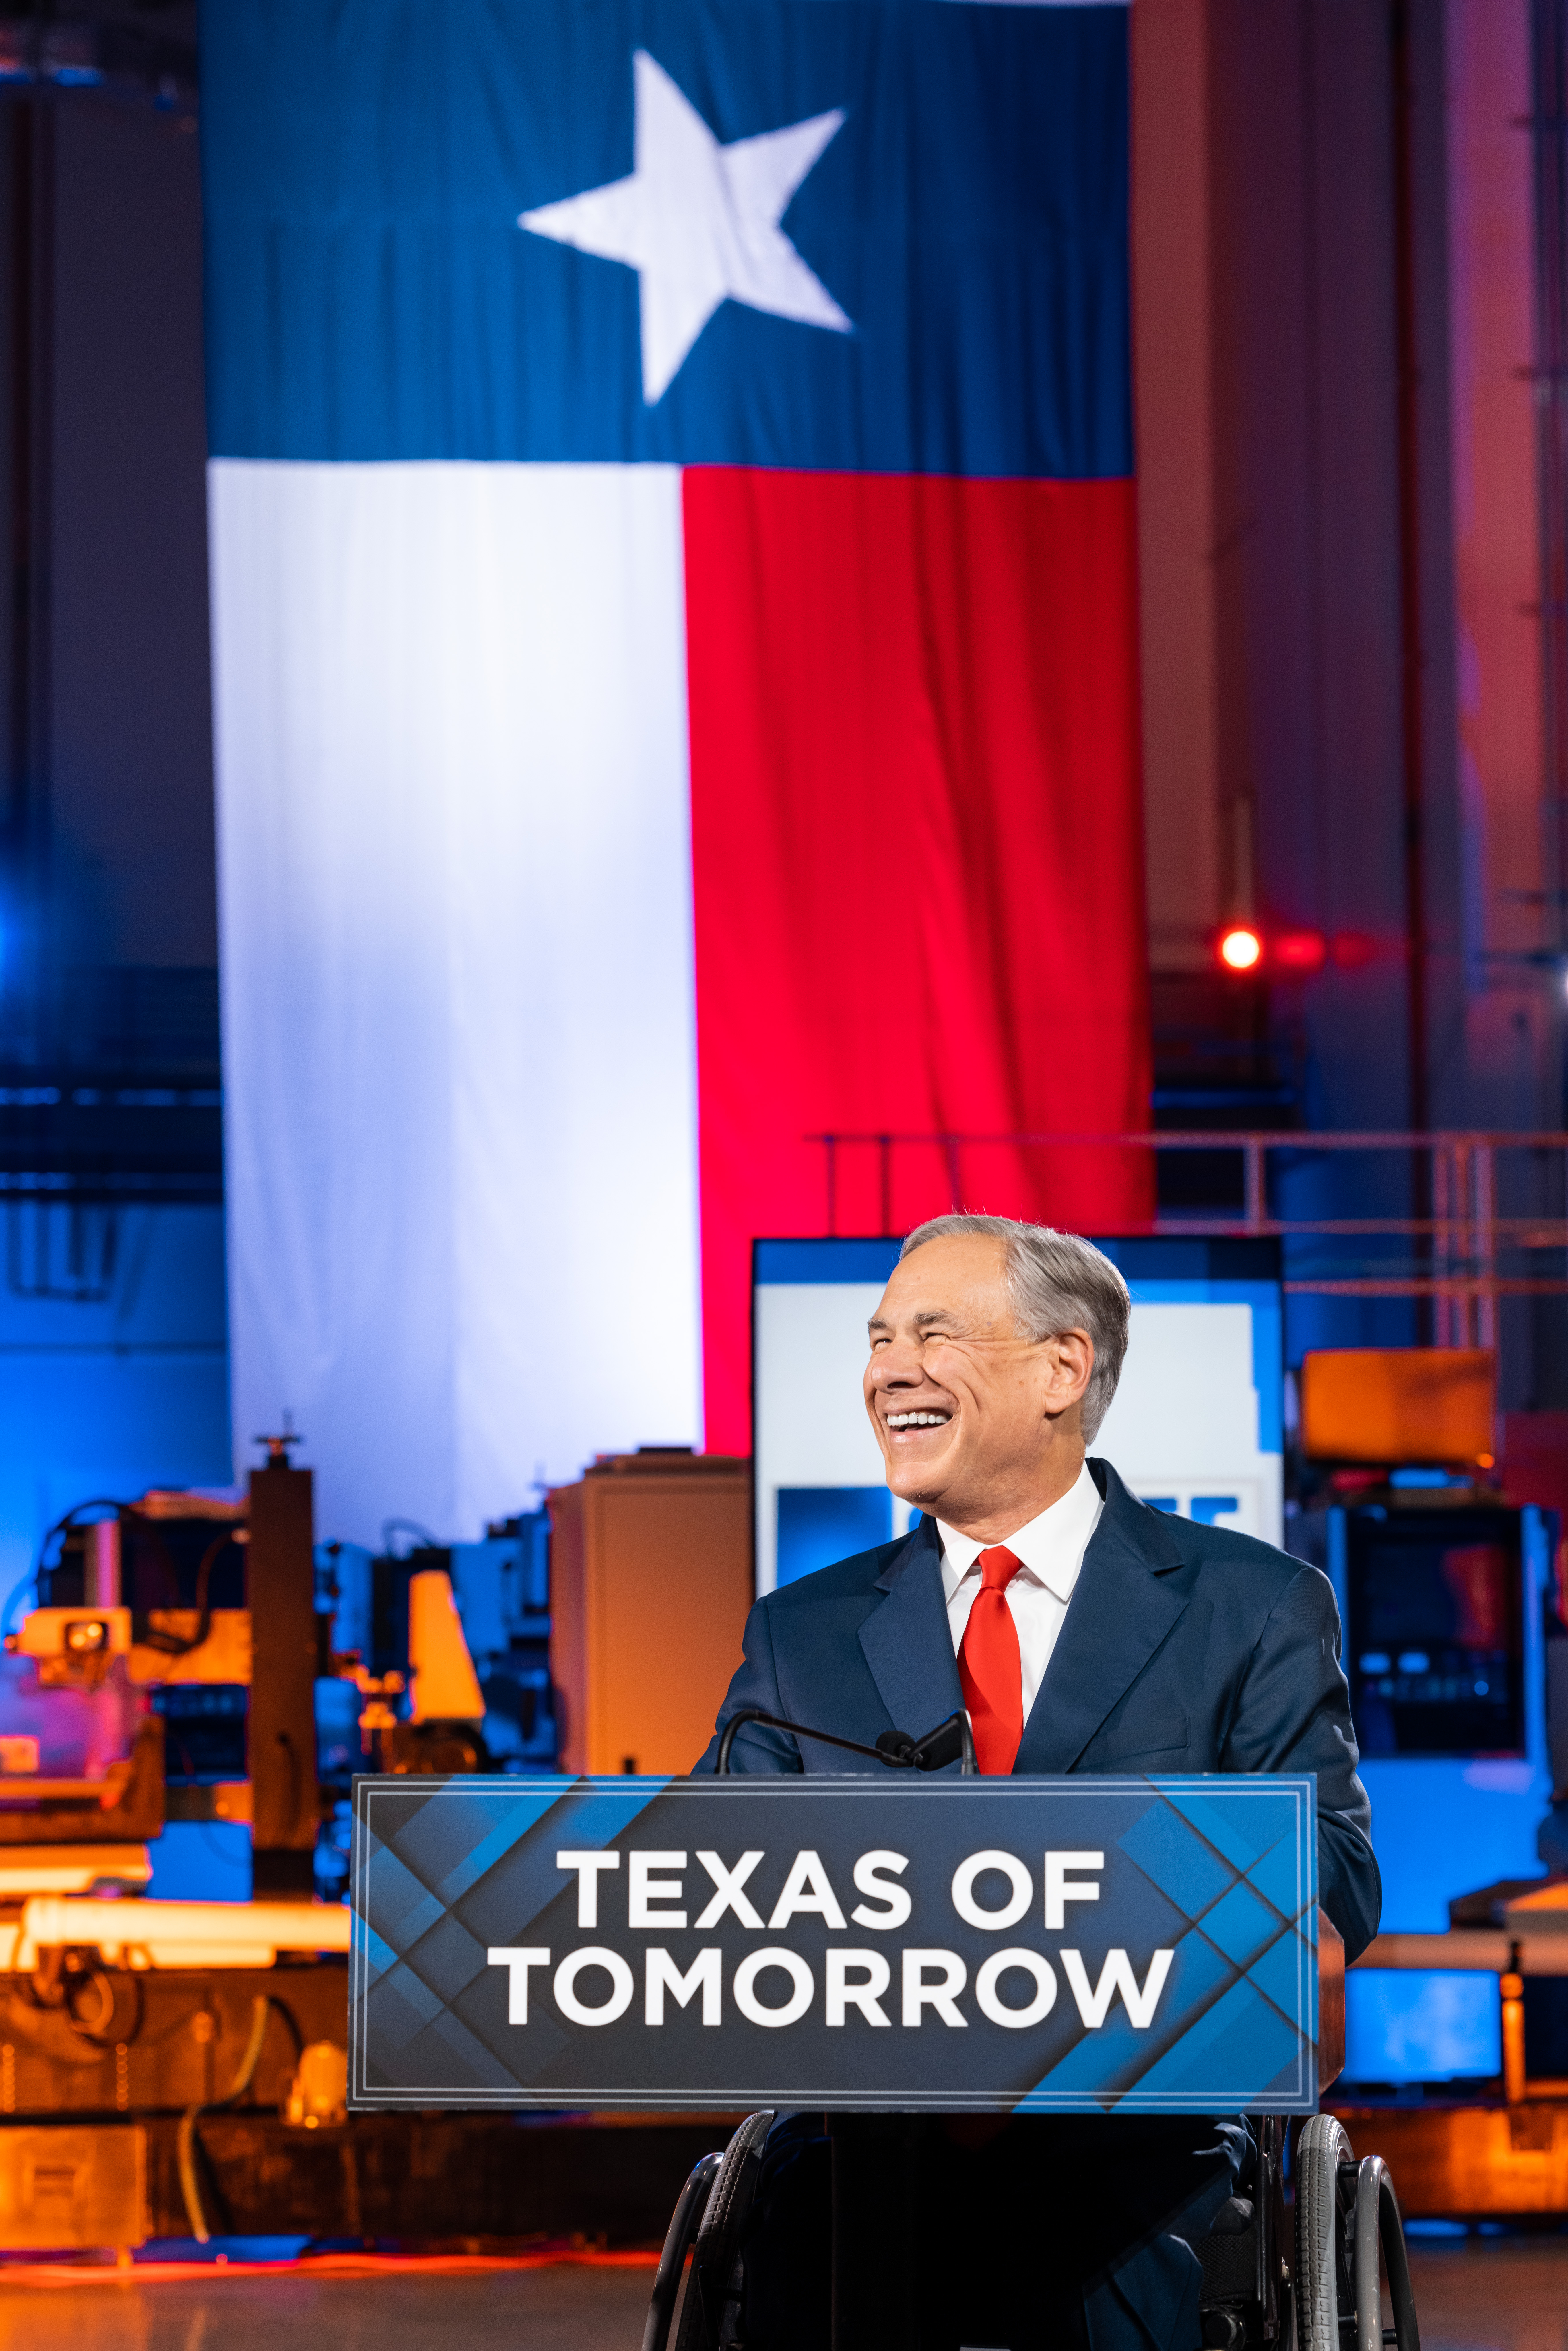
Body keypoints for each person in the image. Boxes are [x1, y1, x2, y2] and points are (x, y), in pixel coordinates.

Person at [696, 1214, 1380, 2351]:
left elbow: (1336, 1872)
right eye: (877, 1340)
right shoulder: (801, 1634)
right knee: (805, 2228)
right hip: (863, 2151)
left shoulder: (1250, 1604)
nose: (888, 1369)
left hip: (1135, 2141)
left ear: (1063, 1366)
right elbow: (709, 1883)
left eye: (932, 1332)